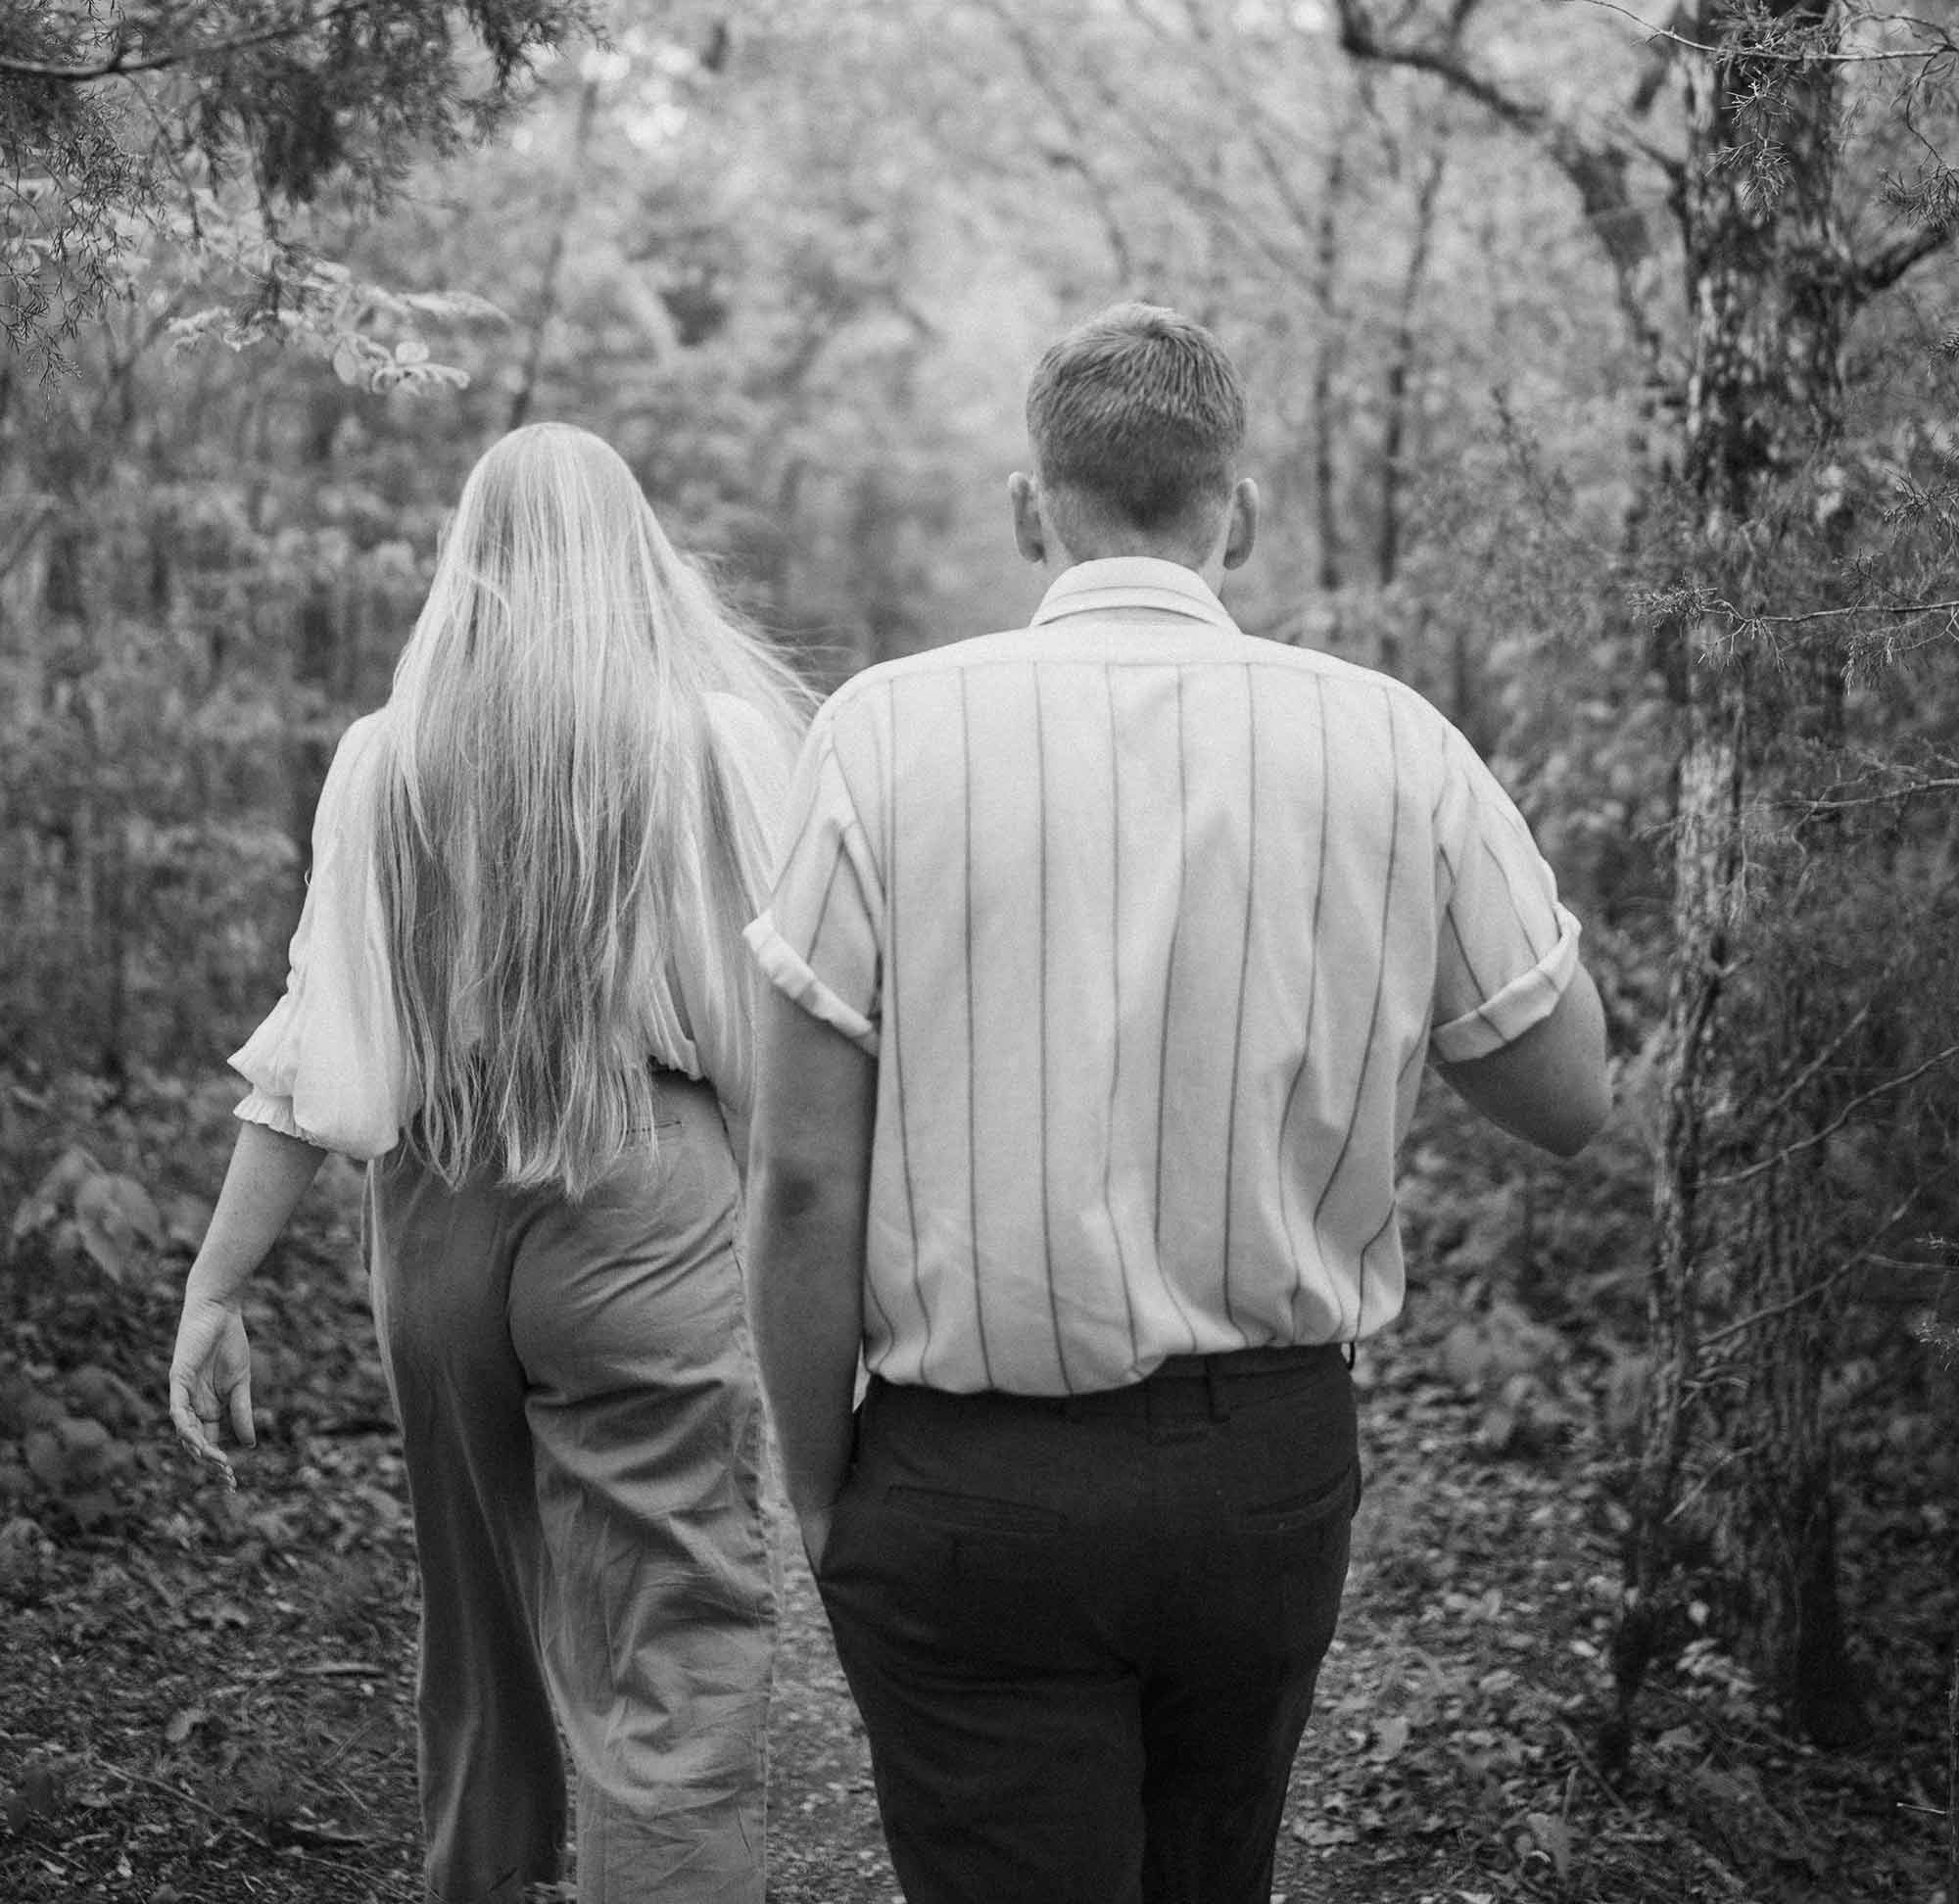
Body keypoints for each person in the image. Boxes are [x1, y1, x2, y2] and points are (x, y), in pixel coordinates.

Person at [745, 300, 1611, 1904]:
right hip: (1261, 1477)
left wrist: (816, 1489)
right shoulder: (1395, 745)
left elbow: (798, 1178)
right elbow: (1570, 1091)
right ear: (1244, 513)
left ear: (1029, 508)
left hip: (963, 1483)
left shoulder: (879, 735)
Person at [167, 422, 810, 1904]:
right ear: (631, 552)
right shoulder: (711, 738)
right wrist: (827, 1269)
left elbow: (322, 1043)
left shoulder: (389, 758)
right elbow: (776, 1037)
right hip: (645, 1189)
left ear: (473, 559)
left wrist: (218, 1285)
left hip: (440, 1214)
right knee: (675, 1637)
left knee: (479, 1621)